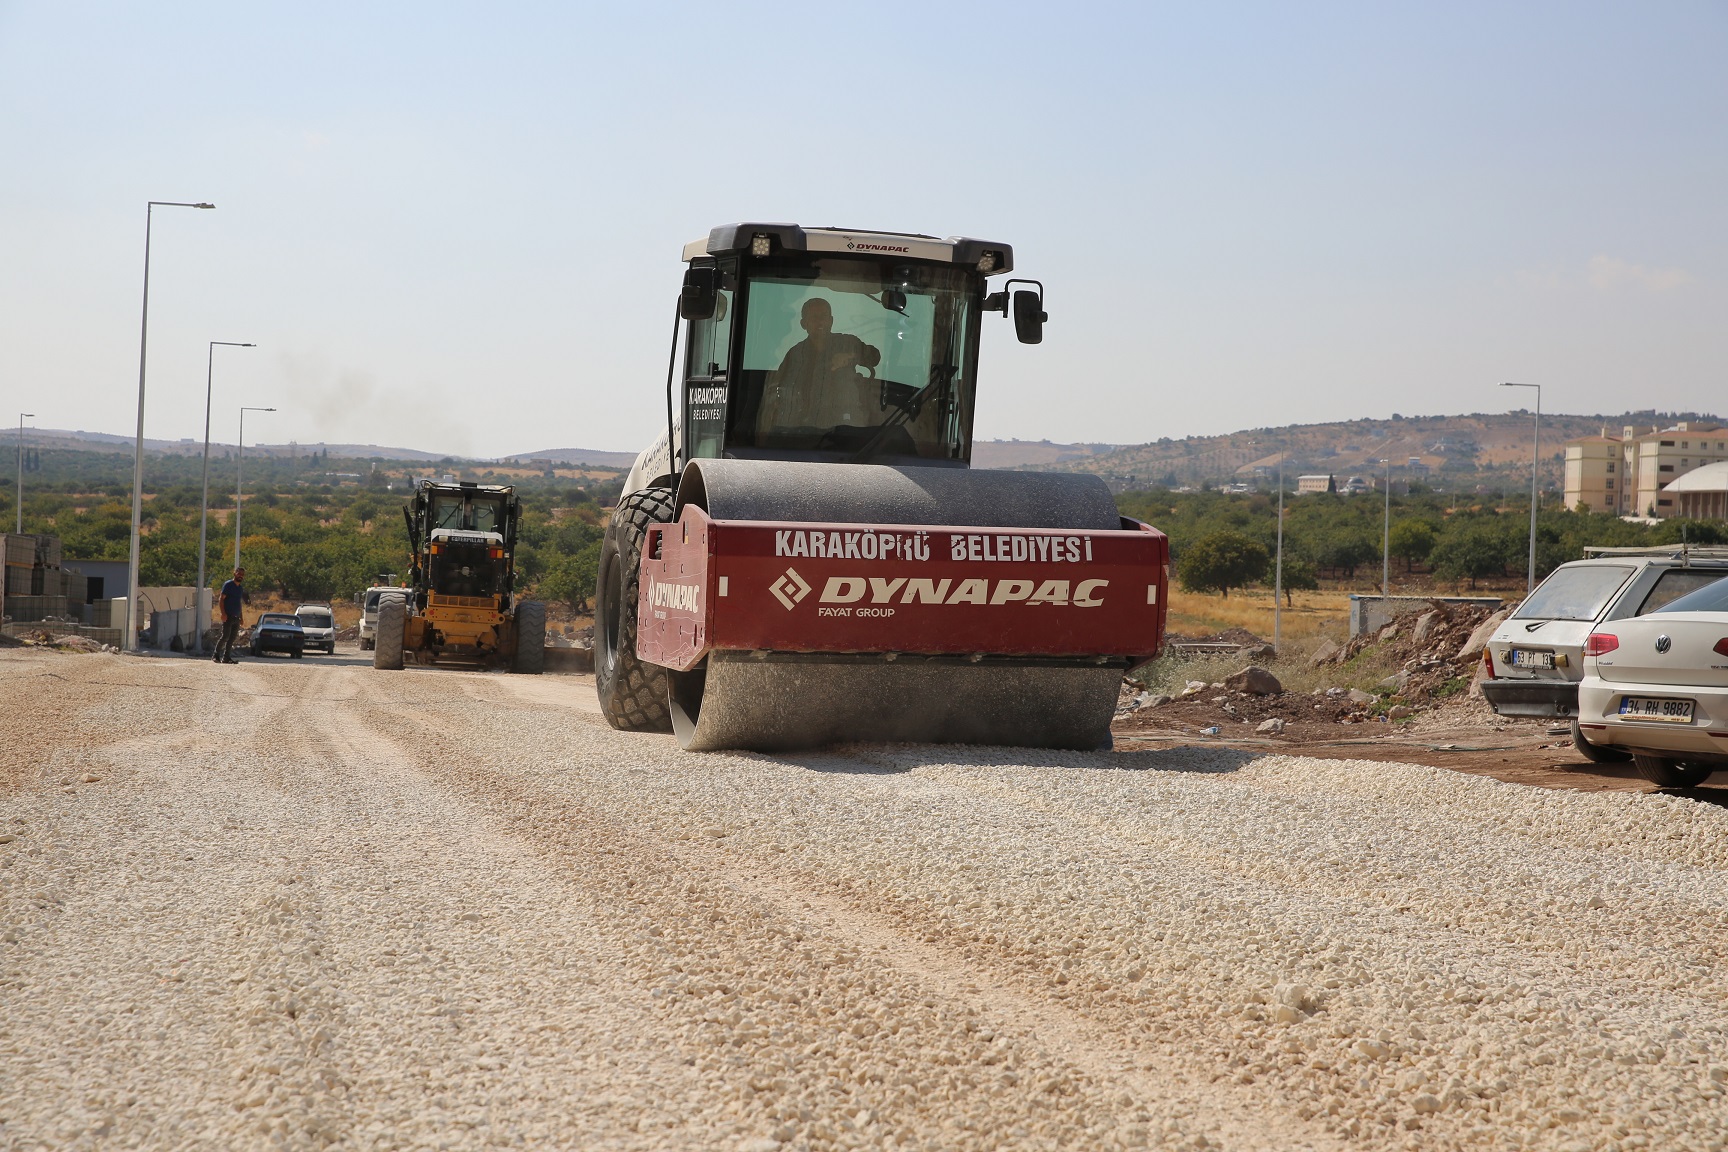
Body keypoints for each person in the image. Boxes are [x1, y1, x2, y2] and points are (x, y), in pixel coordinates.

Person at [756, 297, 881, 435]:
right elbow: (777, 388)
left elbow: (874, 357)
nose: (820, 321)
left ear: (831, 320)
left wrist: (850, 356)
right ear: (804, 324)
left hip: (847, 426)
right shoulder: (795, 354)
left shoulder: (847, 342)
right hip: (806, 429)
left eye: (824, 316)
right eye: (814, 317)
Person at [212, 567, 249, 664]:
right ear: (234, 573)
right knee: (225, 637)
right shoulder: (228, 585)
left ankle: (226, 657)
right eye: (239, 573)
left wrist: (241, 617)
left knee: (232, 638)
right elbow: (221, 599)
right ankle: (215, 655)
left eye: (242, 574)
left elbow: (239, 603)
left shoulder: (240, 588)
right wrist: (223, 613)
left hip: (236, 617)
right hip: (228, 616)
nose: (240, 575)